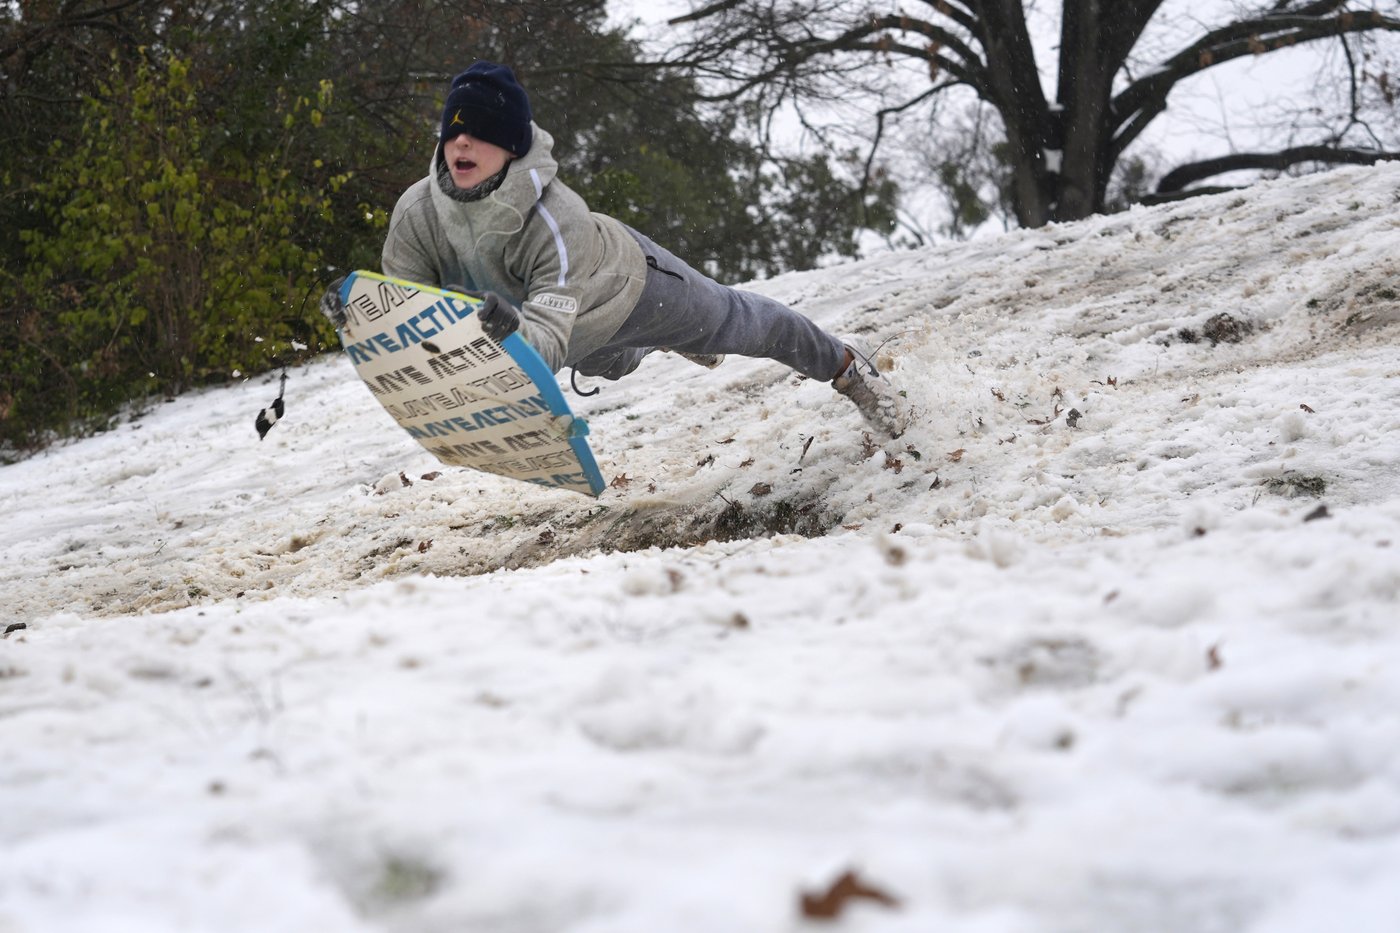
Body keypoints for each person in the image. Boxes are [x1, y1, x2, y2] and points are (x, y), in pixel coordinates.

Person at [322, 62, 908, 438]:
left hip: (628, 289)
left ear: (514, 147)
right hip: (574, 339)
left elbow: (546, 345)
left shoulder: (556, 219)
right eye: (453, 131)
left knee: (740, 322)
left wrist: (509, 335)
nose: (463, 142)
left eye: (482, 132)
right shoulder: (416, 213)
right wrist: (361, 314)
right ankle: (654, 348)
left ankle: (849, 369)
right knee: (618, 362)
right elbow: (407, 305)